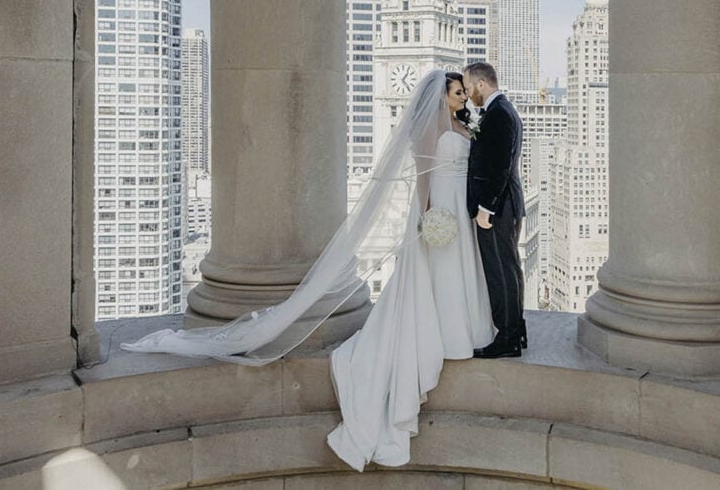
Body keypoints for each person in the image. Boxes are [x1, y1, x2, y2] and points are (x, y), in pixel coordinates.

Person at [121, 69, 495, 471]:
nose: (463, 97)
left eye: (463, 92)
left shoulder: (461, 124)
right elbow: (423, 178)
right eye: (458, 92)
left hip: (459, 208)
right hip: (439, 208)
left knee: (455, 277)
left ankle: (459, 332)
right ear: (442, 96)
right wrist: (426, 219)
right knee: (432, 278)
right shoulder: (429, 130)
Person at [462, 62, 527, 358]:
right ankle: (516, 330)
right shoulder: (501, 110)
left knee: (500, 271)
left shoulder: (499, 113)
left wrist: (486, 209)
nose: (467, 92)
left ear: (481, 84)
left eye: (468, 86)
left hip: (498, 208)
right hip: (506, 205)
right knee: (510, 269)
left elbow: (499, 166)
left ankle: (508, 337)